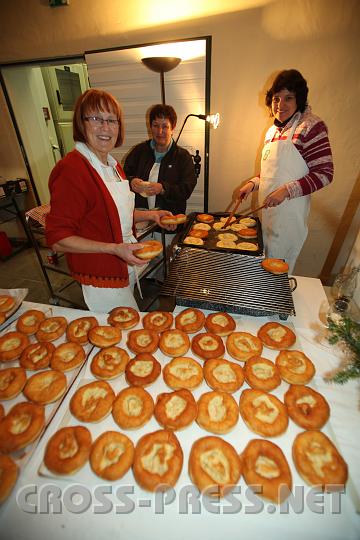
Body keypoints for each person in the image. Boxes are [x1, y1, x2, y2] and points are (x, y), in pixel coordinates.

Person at [45, 89, 176, 313]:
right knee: (123, 333)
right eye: (96, 118)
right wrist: (114, 249)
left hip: (124, 263)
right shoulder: (72, 169)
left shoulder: (113, 166)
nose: (105, 128)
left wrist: (152, 215)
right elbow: (58, 238)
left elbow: (114, 214)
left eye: (111, 120)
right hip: (101, 274)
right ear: (81, 123)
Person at [236, 69, 334, 273]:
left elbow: (325, 173)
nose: (280, 105)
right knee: (262, 270)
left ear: (299, 99)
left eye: (288, 98)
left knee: (277, 277)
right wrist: (252, 184)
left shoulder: (311, 126)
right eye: (276, 99)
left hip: (289, 220)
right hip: (267, 216)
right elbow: (272, 173)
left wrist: (286, 191)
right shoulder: (272, 132)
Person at [123, 104, 197, 218]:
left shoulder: (183, 157)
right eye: (155, 125)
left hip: (169, 224)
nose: (160, 131)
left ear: (173, 128)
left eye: (165, 126)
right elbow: (122, 176)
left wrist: (163, 189)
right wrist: (131, 181)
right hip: (142, 222)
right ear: (150, 126)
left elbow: (186, 189)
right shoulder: (139, 151)